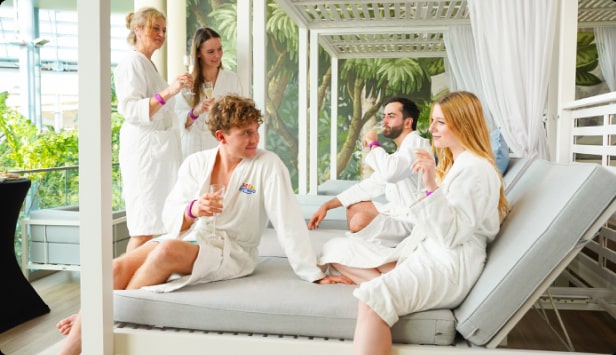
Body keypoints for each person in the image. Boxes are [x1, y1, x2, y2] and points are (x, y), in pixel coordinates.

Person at [55, 94, 328, 355]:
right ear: (221, 136)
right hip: (193, 238)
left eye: (255, 130)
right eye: (245, 132)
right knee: (114, 267)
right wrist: (193, 208)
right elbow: (170, 214)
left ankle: (97, 317)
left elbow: (288, 220)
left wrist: (312, 271)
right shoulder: (196, 163)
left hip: (232, 251)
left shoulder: (267, 165)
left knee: (165, 251)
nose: (254, 138)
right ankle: (79, 335)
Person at [319, 91, 510, 355]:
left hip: (449, 264)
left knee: (371, 299)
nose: (431, 129)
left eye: (440, 122)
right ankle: (385, 273)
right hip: (432, 251)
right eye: (433, 121)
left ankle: (380, 281)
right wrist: (330, 204)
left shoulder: (476, 170)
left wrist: (430, 185)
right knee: (336, 251)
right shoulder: (461, 165)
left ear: (463, 123)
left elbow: (452, 235)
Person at [114, 7, 189, 252]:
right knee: (143, 226)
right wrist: (170, 90)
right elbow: (131, 109)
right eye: (155, 27)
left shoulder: (148, 64)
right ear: (137, 29)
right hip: (144, 154)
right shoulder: (131, 63)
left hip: (160, 154)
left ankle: (145, 278)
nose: (161, 33)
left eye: (164, 29)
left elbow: (167, 111)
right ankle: (123, 285)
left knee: (158, 222)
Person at [308, 97, 429, 248]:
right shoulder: (400, 153)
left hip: (413, 221)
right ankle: (368, 245)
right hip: (397, 214)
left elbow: (390, 173)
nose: (384, 121)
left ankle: (371, 249)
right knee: (354, 206)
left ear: (408, 122)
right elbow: (369, 186)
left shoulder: (416, 144)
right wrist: (327, 206)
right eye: (384, 116)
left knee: (359, 221)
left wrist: (374, 144)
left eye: (391, 116)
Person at [176, 27, 243, 159]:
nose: (217, 55)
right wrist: (196, 111)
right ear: (199, 53)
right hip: (193, 149)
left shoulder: (232, 80)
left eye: (219, 49)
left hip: (220, 146)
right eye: (210, 52)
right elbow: (177, 121)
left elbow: (239, 117)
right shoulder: (187, 82)